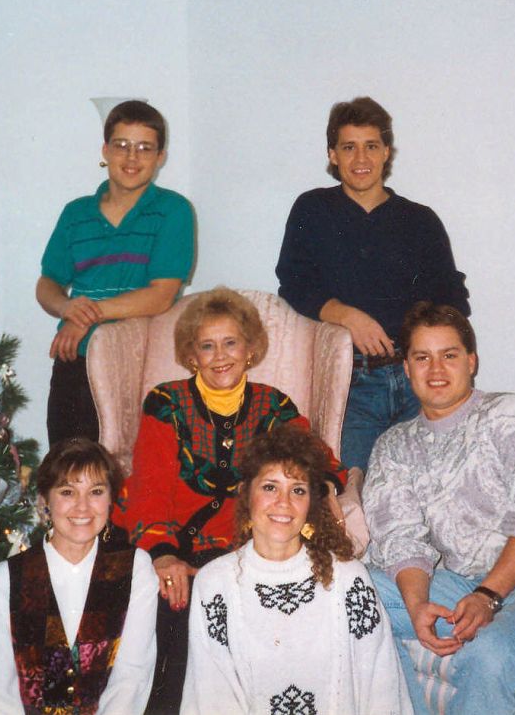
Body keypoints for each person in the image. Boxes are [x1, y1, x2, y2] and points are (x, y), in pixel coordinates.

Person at [363, 302, 515, 715]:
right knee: (345, 596)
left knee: (489, 653)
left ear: (471, 362)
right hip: (460, 582)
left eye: (449, 355)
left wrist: (488, 596)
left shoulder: (509, 416)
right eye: (422, 357)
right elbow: (400, 537)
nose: (435, 368)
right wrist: (417, 605)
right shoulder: (394, 446)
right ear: (406, 368)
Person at [115, 287, 347, 715]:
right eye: (207, 346)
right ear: (191, 355)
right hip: (167, 547)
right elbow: (149, 486)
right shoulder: (166, 403)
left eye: (231, 343)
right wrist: (164, 557)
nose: (220, 356)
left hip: (235, 553)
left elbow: (320, 460)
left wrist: (324, 487)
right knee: (171, 623)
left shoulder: (273, 405)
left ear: (251, 349)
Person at [275, 96, 470, 472]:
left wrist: (429, 356)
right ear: (333, 154)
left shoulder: (420, 220)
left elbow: (452, 297)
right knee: (356, 496)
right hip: (351, 384)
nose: (360, 159)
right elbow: (294, 282)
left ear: (386, 153)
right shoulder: (312, 209)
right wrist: (348, 316)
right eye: (349, 147)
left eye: (371, 147)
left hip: (418, 381)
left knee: (434, 490)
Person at [182, 425, 411, 715]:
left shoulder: (348, 578)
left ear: (311, 503)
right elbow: (211, 695)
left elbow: (381, 686)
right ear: (245, 493)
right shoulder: (214, 584)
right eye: (270, 487)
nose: (283, 503)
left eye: (298, 490)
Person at [37, 100, 194, 447]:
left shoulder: (174, 211)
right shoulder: (75, 213)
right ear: (105, 150)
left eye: (144, 148)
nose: (132, 158)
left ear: (160, 157)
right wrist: (66, 309)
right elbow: (47, 284)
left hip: (143, 363)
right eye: (122, 146)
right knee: (70, 469)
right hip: (76, 359)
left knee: (134, 478)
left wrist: (88, 316)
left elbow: (161, 295)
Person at [0, 438, 158, 715]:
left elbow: (131, 678)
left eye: (95, 492)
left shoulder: (135, 570)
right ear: (44, 501)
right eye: (68, 492)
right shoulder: (4, 582)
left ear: (111, 500)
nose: (83, 507)